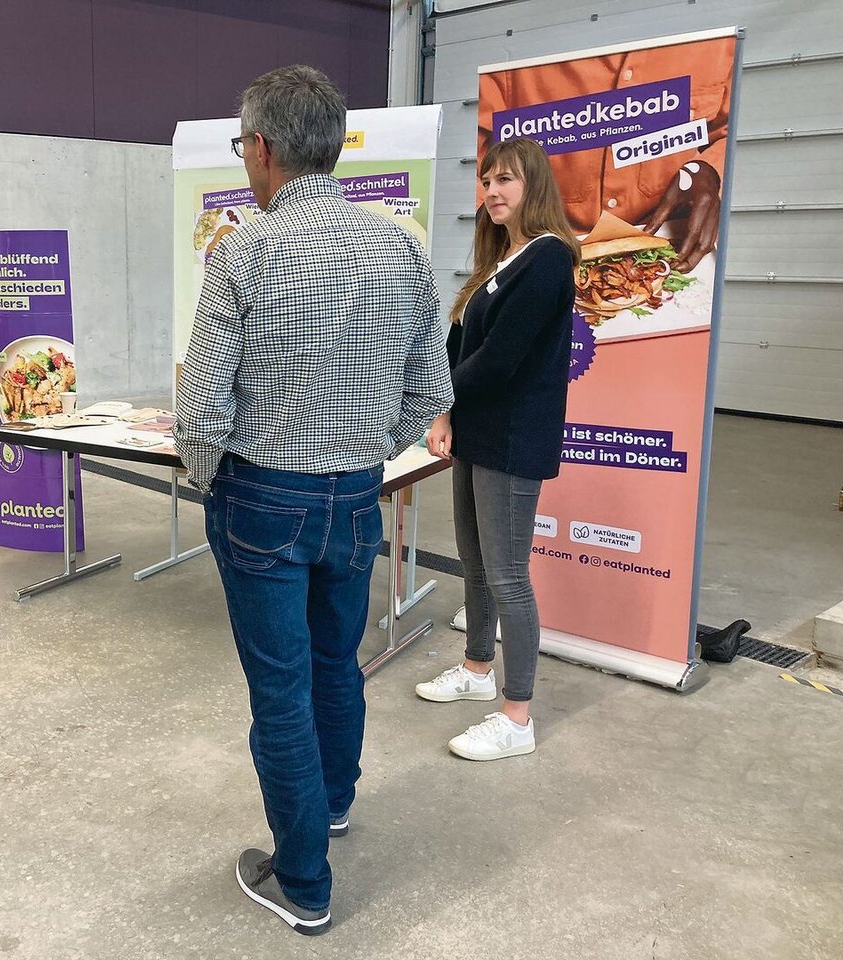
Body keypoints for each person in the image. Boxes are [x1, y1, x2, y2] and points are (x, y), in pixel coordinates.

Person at [175, 65, 452, 936]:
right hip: (357, 493)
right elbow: (430, 387)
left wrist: (205, 476)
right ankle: (332, 803)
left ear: (260, 148)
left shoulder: (243, 251)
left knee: (281, 688)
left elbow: (201, 408)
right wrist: (368, 449)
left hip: (261, 494)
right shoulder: (400, 247)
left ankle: (303, 882)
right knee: (337, 663)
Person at [416, 138, 579, 760]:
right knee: (475, 563)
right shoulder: (500, 259)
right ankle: (477, 668)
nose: (491, 191)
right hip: (477, 432)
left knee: (508, 575)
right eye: (486, 181)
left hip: (512, 437)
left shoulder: (547, 257)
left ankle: (517, 717)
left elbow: (501, 359)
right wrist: (443, 410)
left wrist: (436, 396)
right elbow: (460, 346)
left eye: (505, 180)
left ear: (533, 185)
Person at [478, 41, 734, 272]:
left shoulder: (720, 42)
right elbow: (471, 153)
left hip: (673, 247)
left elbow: (733, 132)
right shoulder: (511, 46)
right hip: (540, 251)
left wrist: (712, 170)